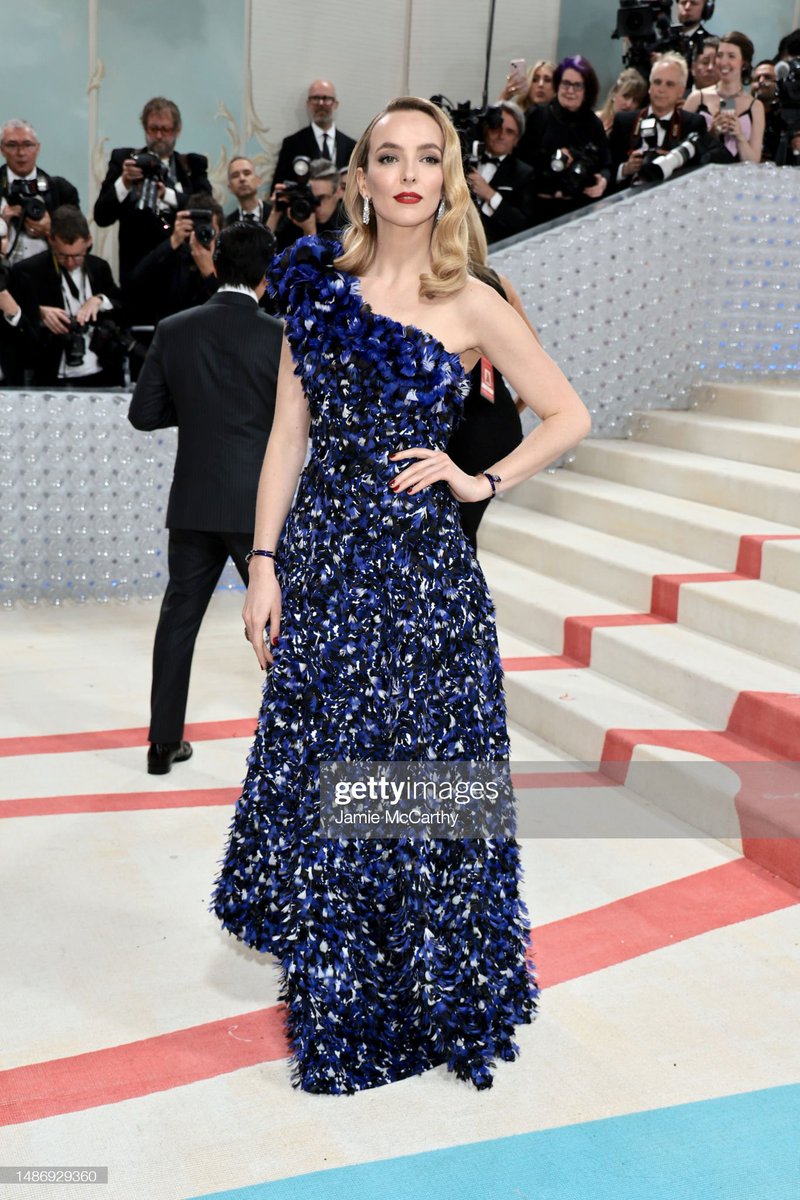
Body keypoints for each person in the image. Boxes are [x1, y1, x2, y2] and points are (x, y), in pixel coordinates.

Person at [211, 96, 590, 1094]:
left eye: (428, 156)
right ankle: (345, 988)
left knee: (419, 784)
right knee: (336, 775)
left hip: (425, 582)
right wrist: (261, 561)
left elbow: (565, 412)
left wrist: (480, 480)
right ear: (361, 177)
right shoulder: (316, 286)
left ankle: (430, 986)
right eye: (388, 156)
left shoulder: (469, 298)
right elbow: (287, 436)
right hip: (328, 570)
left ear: (447, 175)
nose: (408, 173)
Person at [128, 222, 282, 775]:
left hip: (192, 503)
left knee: (178, 621)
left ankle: (162, 744)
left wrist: (194, 410)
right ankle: (294, 748)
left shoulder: (173, 328)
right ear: (269, 273)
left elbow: (143, 414)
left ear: (215, 263)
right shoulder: (280, 336)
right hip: (255, 508)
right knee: (279, 622)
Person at [447, 206, 538, 549]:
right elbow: (535, 361)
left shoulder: (440, 283)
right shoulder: (500, 284)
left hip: (459, 427)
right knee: (462, 534)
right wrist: (508, 410)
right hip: (495, 420)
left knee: (454, 535)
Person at [93, 97, 211, 286]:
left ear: (177, 130)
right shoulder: (123, 160)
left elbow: (208, 209)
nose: (158, 136)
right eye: (153, 129)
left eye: (165, 129)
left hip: (182, 274)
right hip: (137, 273)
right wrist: (124, 182)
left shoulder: (192, 165)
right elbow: (102, 216)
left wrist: (167, 195)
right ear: (145, 128)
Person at [9, 205, 124, 388]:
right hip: (50, 370)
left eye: (77, 256)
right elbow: (11, 315)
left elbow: (123, 303)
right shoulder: (27, 271)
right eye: (62, 256)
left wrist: (100, 300)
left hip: (101, 369)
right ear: (51, 240)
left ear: (88, 241)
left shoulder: (99, 267)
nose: (70, 262)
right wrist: (38, 311)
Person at [517, 55, 611, 224]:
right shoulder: (537, 115)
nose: (570, 91)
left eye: (577, 86)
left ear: (587, 90)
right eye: (566, 83)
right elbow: (520, 161)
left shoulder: (593, 123)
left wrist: (602, 181)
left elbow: (606, 164)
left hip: (579, 210)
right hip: (538, 208)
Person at [610, 54, 707, 189]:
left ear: (680, 91)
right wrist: (625, 169)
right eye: (657, 82)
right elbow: (607, 169)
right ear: (650, 87)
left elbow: (698, 175)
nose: (661, 89)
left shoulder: (692, 123)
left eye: (669, 84)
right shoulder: (625, 121)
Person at [127, 193, 224, 326]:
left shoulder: (228, 262)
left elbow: (232, 309)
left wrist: (209, 274)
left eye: (209, 229)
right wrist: (173, 241)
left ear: (220, 231)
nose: (203, 233)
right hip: (172, 337)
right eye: (196, 227)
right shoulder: (172, 256)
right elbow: (135, 283)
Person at [0, 119, 80, 265]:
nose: (21, 152)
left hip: (46, 277)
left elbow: (81, 243)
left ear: (38, 148)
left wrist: (51, 229)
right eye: (12, 145)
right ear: (2, 149)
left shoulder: (60, 189)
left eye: (28, 145)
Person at [683, 31, 765, 162]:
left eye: (731, 56)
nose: (723, 62)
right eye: (720, 55)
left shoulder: (755, 107)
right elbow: (680, 148)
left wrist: (739, 136)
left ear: (744, 63)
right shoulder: (697, 98)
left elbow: (754, 162)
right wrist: (711, 133)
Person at [465, 103, 535, 244]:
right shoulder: (463, 159)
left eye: (509, 131)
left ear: (517, 140)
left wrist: (490, 194)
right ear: (486, 129)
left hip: (496, 248)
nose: (501, 135)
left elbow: (522, 223)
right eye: (497, 127)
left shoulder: (525, 173)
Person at [270, 80, 356, 191]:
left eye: (326, 98)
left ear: (335, 104)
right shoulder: (292, 144)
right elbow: (278, 187)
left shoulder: (352, 146)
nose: (321, 103)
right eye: (315, 98)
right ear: (308, 104)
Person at [267, 157, 346, 252]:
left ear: (338, 192)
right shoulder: (296, 214)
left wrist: (309, 232)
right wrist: (275, 212)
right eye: (310, 196)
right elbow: (262, 256)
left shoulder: (348, 223)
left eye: (321, 198)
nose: (316, 204)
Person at [596, 68, 648, 136]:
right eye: (626, 96)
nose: (629, 104)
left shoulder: (635, 132)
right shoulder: (593, 120)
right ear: (614, 93)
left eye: (635, 100)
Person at [225, 156, 270, 226]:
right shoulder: (227, 224)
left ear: (258, 181)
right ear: (230, 188)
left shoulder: (277, 214)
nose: (242, 179)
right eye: (235, 175)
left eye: (247, 173)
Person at [751, 61, 782, 162]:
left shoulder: (788, 115)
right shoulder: (742, 112)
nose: (761, 81)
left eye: (768, 77)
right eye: (756, 79)